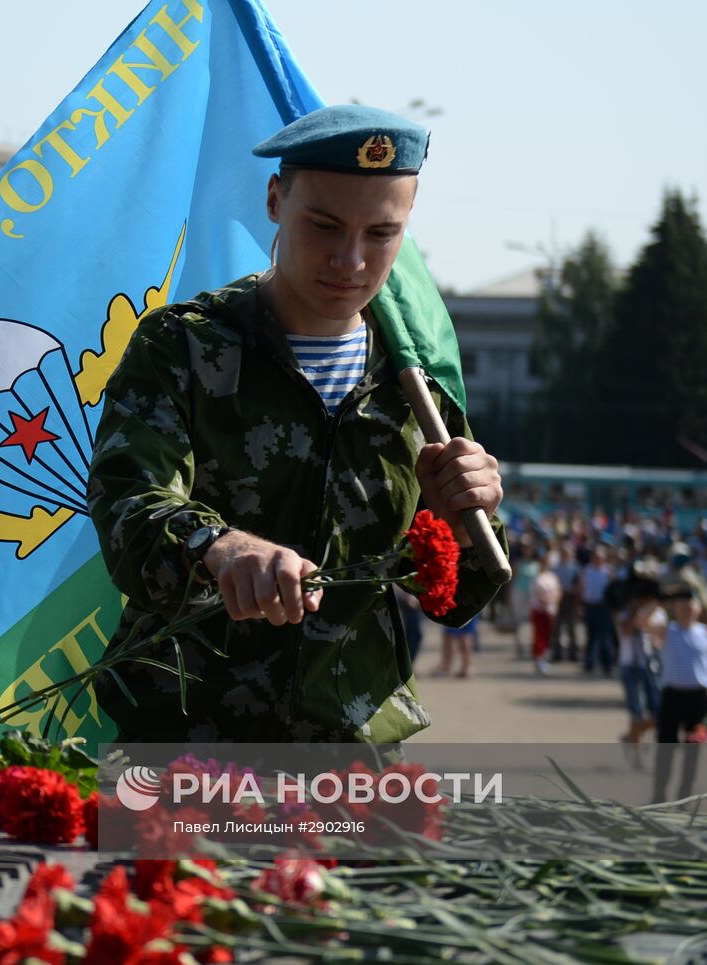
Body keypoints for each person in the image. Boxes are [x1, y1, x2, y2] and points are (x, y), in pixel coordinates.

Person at [86, 105, 507, 743]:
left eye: (380, 234)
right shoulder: (186, 346)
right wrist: (217, 549)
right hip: (186, 739)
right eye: (324, 224)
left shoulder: (415, 382)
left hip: (352, 750)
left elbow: (454, 599)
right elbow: (127, 504)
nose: (350, 259)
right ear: (275, 200)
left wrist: (467, 521)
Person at [652, 583, 707, 803]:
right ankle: (659, 795)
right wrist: (660, 600)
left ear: (698, 608)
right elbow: (642, 622)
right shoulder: (666, 630)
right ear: (674, 607)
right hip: (671, 697)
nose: (686, 608)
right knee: (665, 747)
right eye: (681, 604)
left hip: (699, 699)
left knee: (694, 750)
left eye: (691, 604)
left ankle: (685, 797)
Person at [616, 576, 664, 745]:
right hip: (629, 664)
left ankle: (633, 735)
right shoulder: (625, 613)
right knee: (636, 711)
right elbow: (627, 630)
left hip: (650, 665)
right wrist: (636, 610)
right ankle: (635, 748)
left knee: (659, 712)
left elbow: (660, 639)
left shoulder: (659, 614)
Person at [580, 546, 615, 675]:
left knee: (605, 637)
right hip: (590, 606)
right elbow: (581, 588)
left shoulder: (608, 571)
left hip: (603, 607)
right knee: (591, 636)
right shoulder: (587, 570)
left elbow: (612, 591)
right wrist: (580, 606)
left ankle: (607, 664)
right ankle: (590, 663)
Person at [529, 552, 562, 675]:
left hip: (551, 611)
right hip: (539, 610)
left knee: (548, 635)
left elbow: (558, 591)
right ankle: (539, 659)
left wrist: (553, 600)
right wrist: (546, 601)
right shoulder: (537, 577)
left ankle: (544, 657)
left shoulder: (552, 577)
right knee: (539, 636)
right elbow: (538, 594)